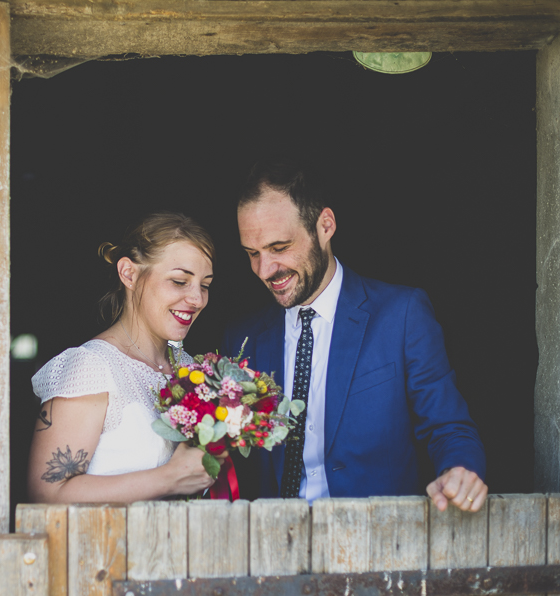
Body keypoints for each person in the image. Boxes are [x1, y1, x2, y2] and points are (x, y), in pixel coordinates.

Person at [225, 159, 488, 512]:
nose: (264, 270)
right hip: (273, 550)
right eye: (252, 254)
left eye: (279, 247)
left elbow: (448, 427)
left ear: (325, 226)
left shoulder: (402, 315)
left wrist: (459, 472)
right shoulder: (242, 339)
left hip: (378, 547)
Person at [27, 211, 219, 503]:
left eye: (204, 285)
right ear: (129, 273)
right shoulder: (91, 367)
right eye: (180, 281)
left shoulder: (192, 370)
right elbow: (46, 493)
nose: (197, 299)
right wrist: (168, 478)